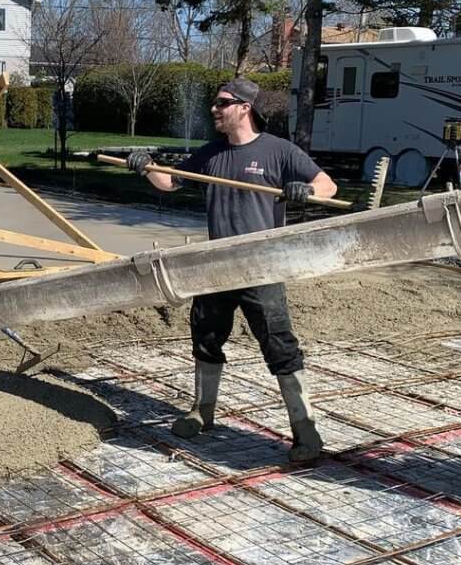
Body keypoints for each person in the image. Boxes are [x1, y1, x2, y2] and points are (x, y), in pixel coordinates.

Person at [128, 78, 338, 463]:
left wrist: (306, 191)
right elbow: (170, 182)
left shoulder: (278, 151)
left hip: (261, 266)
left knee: (279, 345)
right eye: (215, 103)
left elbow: (328, 185)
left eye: (222, 103)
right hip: (216, 265)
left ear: (244, 108)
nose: (214, 109)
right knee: (206, 338)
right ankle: (202, 411)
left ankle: (305, 429)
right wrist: (146, 167)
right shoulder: (211, 153)